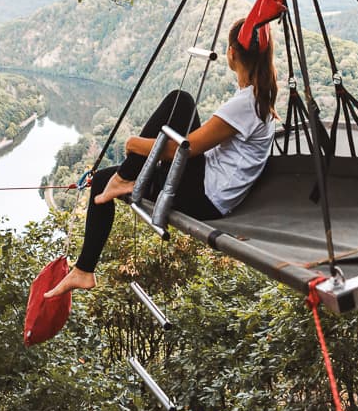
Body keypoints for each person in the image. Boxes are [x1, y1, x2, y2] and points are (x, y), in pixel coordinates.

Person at [44, 17, 278, 297]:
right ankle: (84, 270)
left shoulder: (246, 103)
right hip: (205, 188)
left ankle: (125, 176)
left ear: (231, 53)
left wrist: (132, 144)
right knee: (103, 181)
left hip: (204, 197)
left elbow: (181, 149)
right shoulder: (255, 98)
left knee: (181, 102)